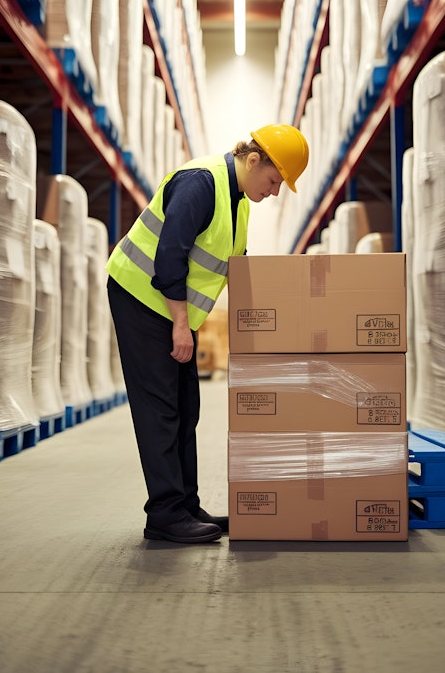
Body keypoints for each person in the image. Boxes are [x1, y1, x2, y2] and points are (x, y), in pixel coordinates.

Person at [106, 123, 309, 544]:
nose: (274, 191)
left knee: (186, 406)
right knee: (161, 409)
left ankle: (186, 506)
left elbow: (236, 265)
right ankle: (164, 514)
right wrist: (181, 325)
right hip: (142, 298)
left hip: (172, 309)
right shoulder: (200, 183)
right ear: (253, 160)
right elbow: (168, 258)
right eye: (274, 180)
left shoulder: (240, 201)